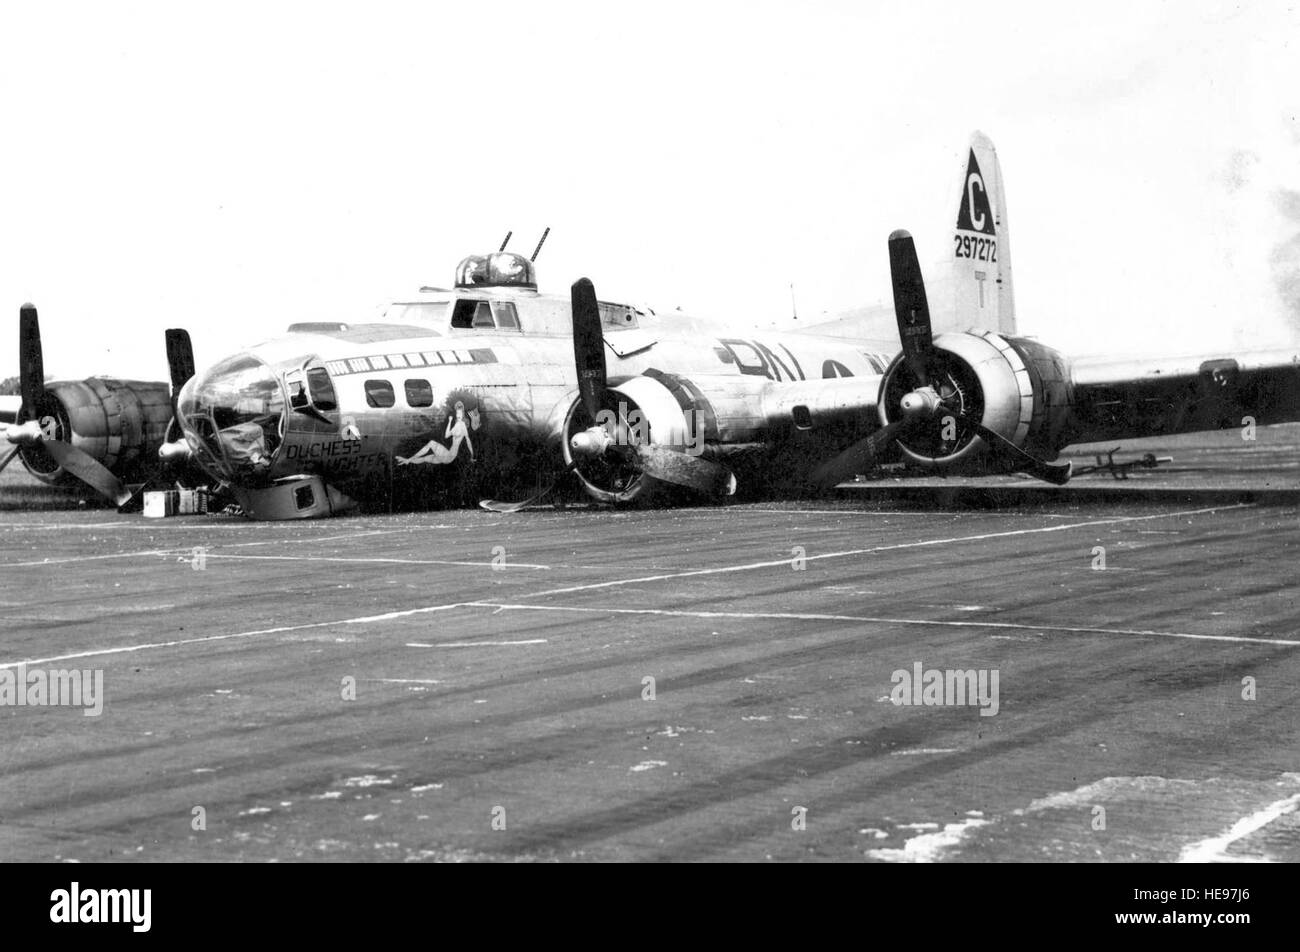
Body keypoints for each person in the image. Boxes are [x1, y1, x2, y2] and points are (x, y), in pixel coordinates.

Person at [396, 401, 475, 466]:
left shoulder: (462, 425)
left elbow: (468, 441)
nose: (458, 415)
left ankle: (409, 459)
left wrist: (472, 455)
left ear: (463, 414)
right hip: (447, 456)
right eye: (457, 413)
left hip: (449, 456)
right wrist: (450, 422)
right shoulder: (456, 425)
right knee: (424, 459)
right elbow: (446, 436)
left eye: (460, 414)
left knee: (431, 443)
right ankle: (407, 460)